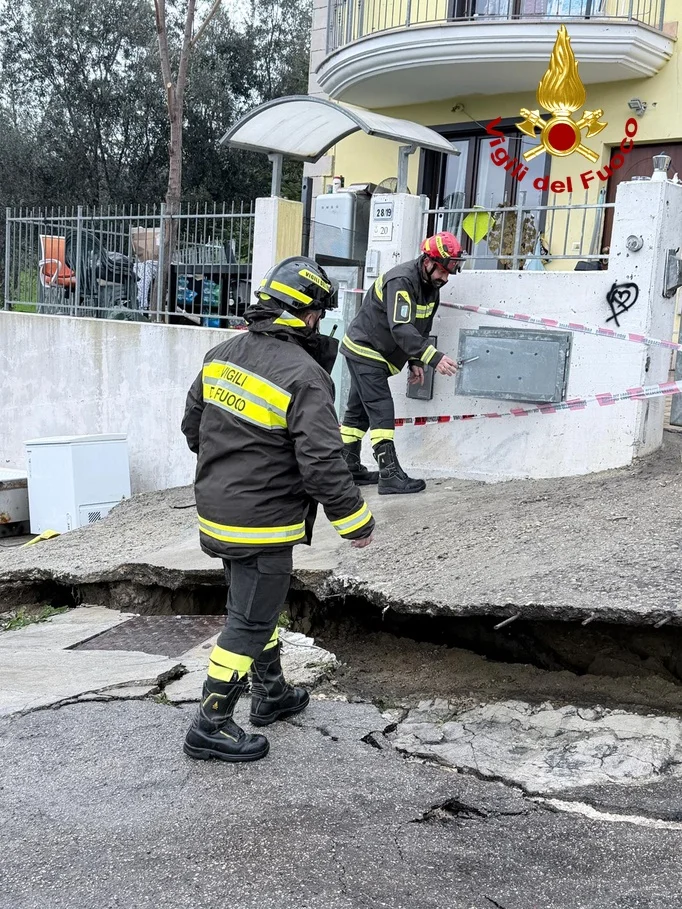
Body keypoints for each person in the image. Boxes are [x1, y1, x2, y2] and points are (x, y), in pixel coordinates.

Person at [181, 256, 375, 764]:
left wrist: (232, 469)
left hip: (219, 511)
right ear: (305, 315)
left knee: (254, 606)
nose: (319, 324)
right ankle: (210, 724)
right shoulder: (305, 375)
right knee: (249, 620)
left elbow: (192, 429)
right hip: (261, 523)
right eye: (318, 315)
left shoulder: (220, 355)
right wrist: (355, 520)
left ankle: (271, 693)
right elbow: (322, 462)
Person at [339, 231, 464, 494]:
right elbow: (401, 327)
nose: (445, 278)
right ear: (427, 262)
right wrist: (434, 358)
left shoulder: (431, 289)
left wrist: (415, 360)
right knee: (381, 408)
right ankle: (390, 475)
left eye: (449, 272)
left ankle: (347, 467)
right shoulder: (402, 281)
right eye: (442, 271)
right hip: (366, 350)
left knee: (358, 413)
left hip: (373, 352)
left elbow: (421, 327)